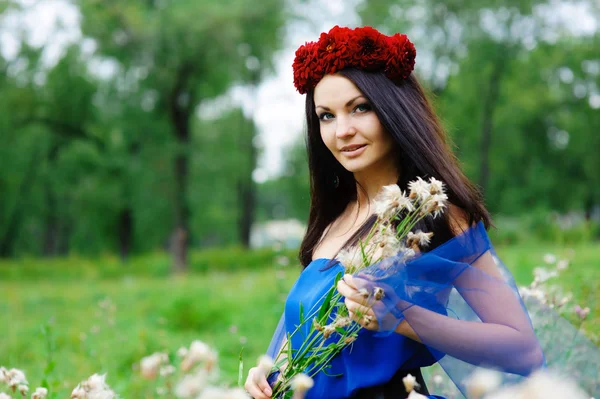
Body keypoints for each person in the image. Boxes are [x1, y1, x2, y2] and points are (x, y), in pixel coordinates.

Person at [244, 25, 592, 399]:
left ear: (395, 111)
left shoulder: (436, 216)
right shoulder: (332, 221)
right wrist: (268, 375)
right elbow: (301, 340)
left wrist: (403, 316)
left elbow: (523, 349)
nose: (342, 130)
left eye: (360, 108)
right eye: (326, 116)